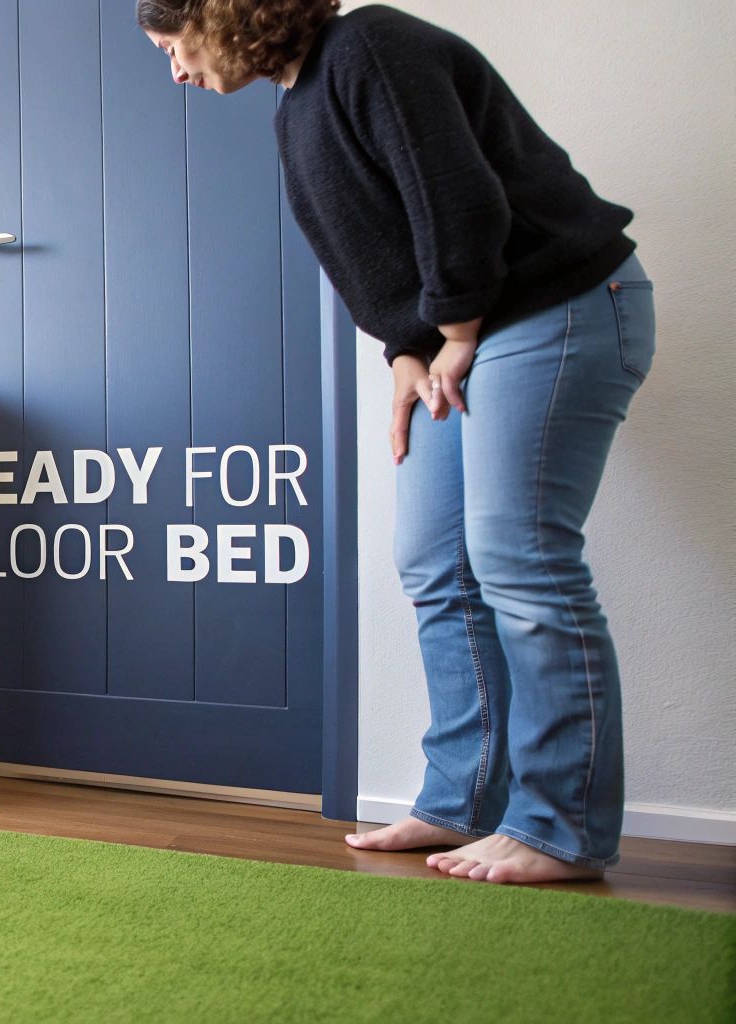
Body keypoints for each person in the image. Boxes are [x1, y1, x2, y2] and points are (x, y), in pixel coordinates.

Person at [139, 0, 655, 883]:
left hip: (557, 308)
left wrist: (454, 330)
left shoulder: (370, 45)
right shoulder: (293, 109)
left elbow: (451, 198)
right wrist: (409, 354)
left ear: (220, 13)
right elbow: (375, 256)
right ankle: (460, 802)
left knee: (519, 558)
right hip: (469, 334)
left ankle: (561, 827)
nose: (176, 72)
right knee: (434, 562)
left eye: (173, 46)